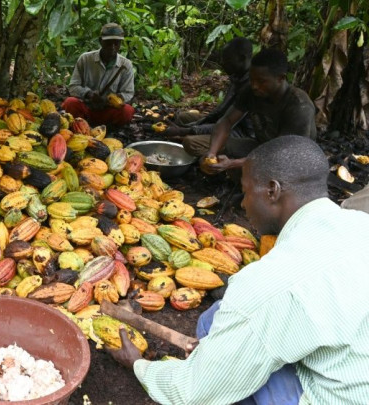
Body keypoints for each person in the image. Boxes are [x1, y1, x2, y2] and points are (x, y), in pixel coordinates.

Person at [108, 135, 369, 404]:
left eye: (245, 192)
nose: (243, 205)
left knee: (228, 374)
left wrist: (138, 365)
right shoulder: (360, 224)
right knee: (214, 318)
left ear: (272, 191)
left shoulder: (270, 282)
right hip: (348, 364)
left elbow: (193, 392)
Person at [199, 48, 316, 175]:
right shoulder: (251, 91)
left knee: (259, 174)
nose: (254, 85)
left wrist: (233, 163)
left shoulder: (299, 106)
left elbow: (283, 154)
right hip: (260, 146)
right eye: (251, 79)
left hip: (291, 160)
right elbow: (227, 121)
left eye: (261, 81)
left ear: (281, 78)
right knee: (203, 149)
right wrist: (212, 153)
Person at [164, 37, 255, 151]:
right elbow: (219, 112)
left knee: (190, 142)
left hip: (240, 135)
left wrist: (186, 130)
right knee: (184, 117)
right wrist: (190, 126)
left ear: (242, 58)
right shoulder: (237, 77)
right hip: (224, 123)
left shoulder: (253, 85)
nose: (222, 64)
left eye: (227, 60)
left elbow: (227, 125)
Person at [61, 22, 136, 126]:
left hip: (108, 111)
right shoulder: (85, 59)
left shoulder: (126, 65)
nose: (113, 47)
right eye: (109, 43)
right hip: (86, 108)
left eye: (116, 43)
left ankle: (108, 128)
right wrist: (89, 94)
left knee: (127, 111)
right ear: (101, 41)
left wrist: (114, 99)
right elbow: (73, 86)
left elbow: (128, 93)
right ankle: (82, 125)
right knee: (70, 103)